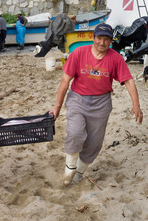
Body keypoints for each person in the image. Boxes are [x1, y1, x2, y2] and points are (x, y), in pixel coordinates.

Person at [50, 23, 143, 186]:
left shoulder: (115, 58)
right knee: (75, 132)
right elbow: (65, 81)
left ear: (111, 41)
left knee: (94, 142)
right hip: (77, 99)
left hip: (101, 103)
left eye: (106, 39)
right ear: (93, 38)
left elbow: (128, 81)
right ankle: (69, 169)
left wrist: (136, 105)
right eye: (99, 38)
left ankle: (79, 173)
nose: (102, 42)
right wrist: (57, 107)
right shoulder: (78, 53)